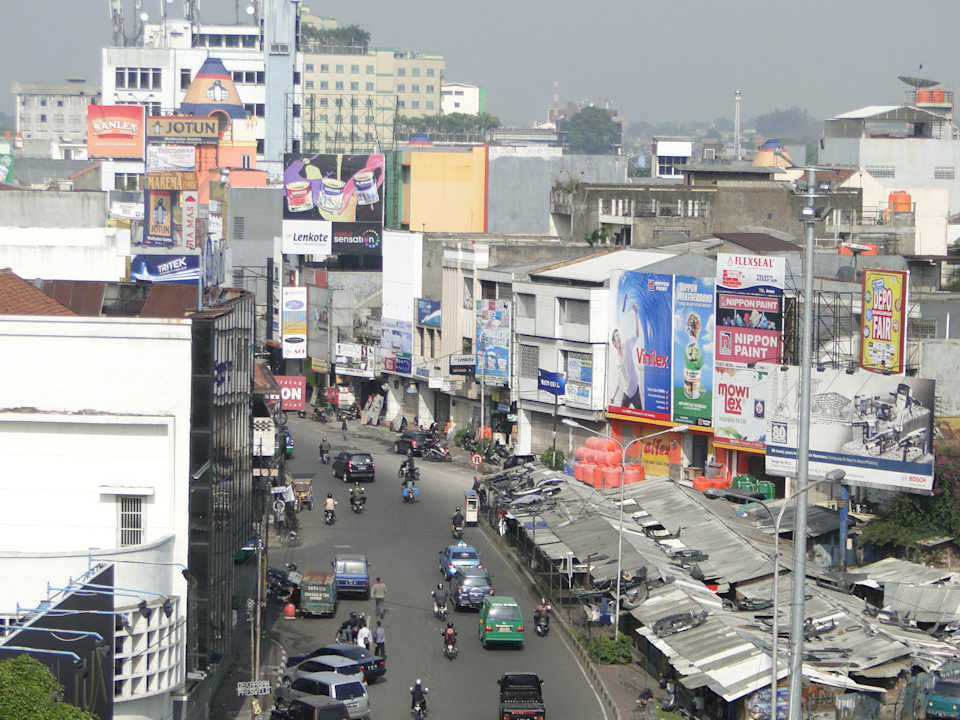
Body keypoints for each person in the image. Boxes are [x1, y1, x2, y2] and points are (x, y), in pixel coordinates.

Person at [608, 302, 644, 410]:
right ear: (614, 342)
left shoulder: (627, 345)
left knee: (641, 416)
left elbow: (636, 335)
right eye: (616, 336)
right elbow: (619, 381)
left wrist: (636, 314)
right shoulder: (617, 361)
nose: (619, 337)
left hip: (635, 390)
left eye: (619, 335)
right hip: (627, 393)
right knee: (621, 417)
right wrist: (613, 397)